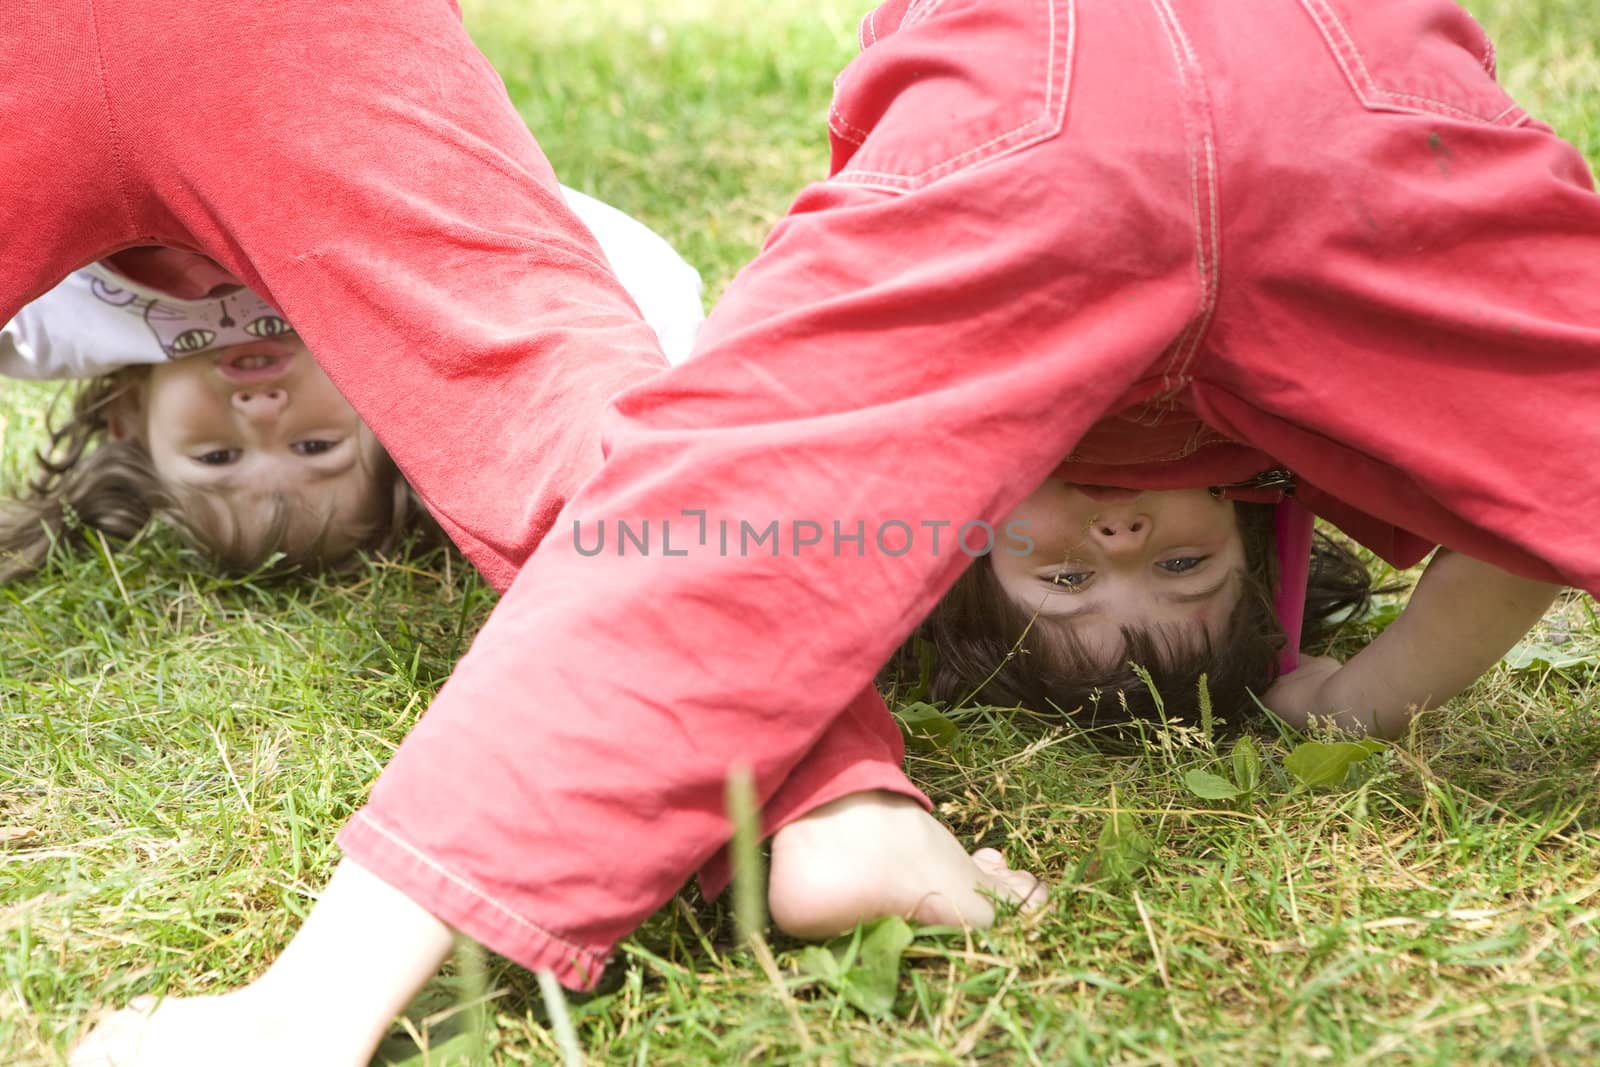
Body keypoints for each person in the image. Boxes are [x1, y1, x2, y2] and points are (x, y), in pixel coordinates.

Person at [52, 0, 1600, 1064]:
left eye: (1067, 570)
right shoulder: (1314, 390)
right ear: (1271, 514)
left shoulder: (968, 404)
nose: (1121, 529)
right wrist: (1365, 691)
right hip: (1317, 88)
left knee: (685, 505)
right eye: (1170, 562)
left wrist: (312, 1000)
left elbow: (716, 543)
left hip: (1060, 104)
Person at [1, 186, 703, 580]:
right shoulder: (402, 288)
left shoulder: (59, 325)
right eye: (316, 445)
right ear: (380, 409)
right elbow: (645, 288)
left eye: (217, 458)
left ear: (129, 423)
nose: (263, 414)